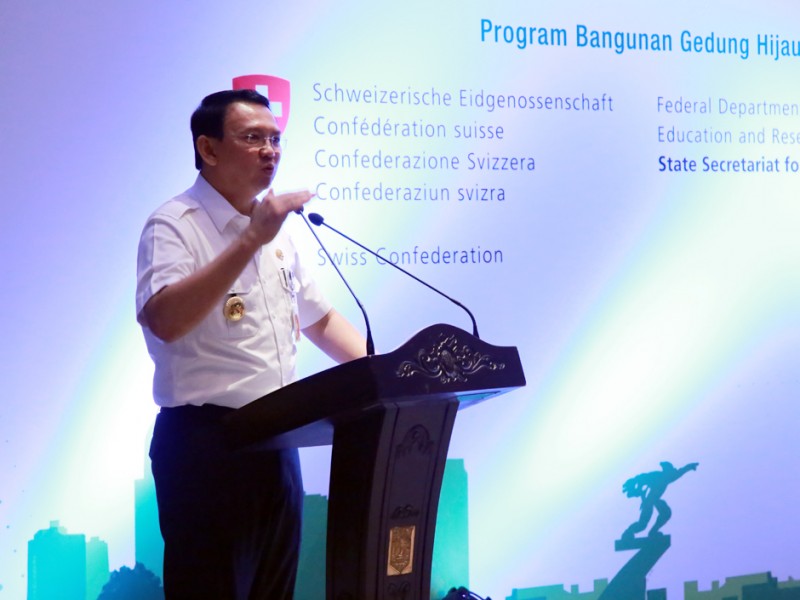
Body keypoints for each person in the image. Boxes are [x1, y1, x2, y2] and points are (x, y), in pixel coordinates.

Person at [135, 89, 366, 599]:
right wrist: (249, 241)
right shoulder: (174, 224)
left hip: (278, 442)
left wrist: (386, 376)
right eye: (252, 138)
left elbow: (321, 319)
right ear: (208, 149)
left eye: (275, 139)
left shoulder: (276, 231)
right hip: (208, 447)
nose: (270, 151)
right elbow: (164, 320)